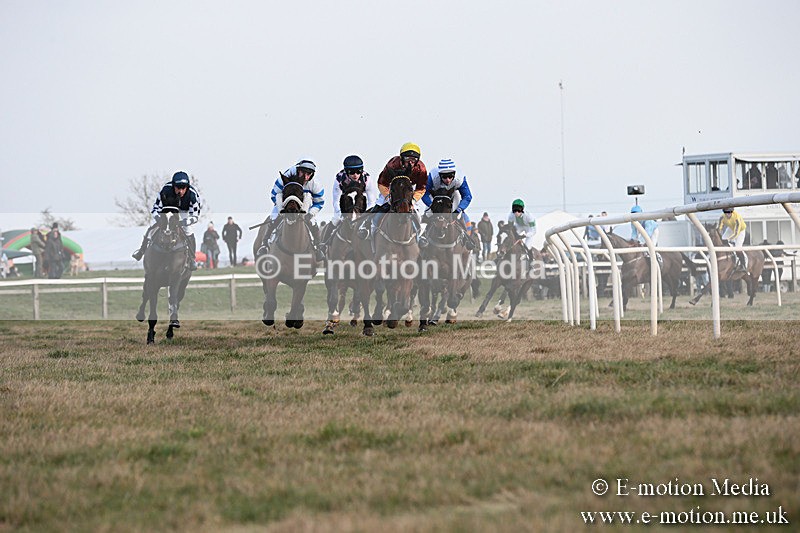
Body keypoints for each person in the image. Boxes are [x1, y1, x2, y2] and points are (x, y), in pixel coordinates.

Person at [131, 171, 202, 270]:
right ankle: (141, 251)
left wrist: (183, 222)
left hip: (183, 212)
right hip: (168, 210)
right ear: (173, 186)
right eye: (178, 187)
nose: (180, 191)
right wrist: (159, 220)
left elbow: (195, 216)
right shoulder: (166, 190)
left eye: (183, 188)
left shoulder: (193, 195)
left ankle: (192, 259)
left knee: (188, 231)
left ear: (187, 187)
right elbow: (155, 209)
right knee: (151, 228)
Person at [359, 142, 427, 241]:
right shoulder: (392, 164)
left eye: (414, 160)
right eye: (408, 159)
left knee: (416, 214)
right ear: (402, 158)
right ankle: (367, 226)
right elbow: (382, 183)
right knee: (379, 208)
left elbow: (421, 188)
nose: (411, 162)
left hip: (407, 191)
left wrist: (412, 200)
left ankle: (419, 237)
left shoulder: (421, 168)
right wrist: (388, 197)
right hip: (391, 188)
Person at [260, 159, 325, 261]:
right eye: (303, 173)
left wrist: (310, 214)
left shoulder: (315, 184)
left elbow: (319, 202)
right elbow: (274, 195)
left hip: (304, 207)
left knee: (313, 222)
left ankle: (318, 248)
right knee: (273, 218)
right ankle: (264, 244)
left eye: (309, 174)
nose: (306, 177)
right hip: (283, 205)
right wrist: (283, 209)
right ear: (298, 170)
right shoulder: (283, 179)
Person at [321, 155, 378, 252]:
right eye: (351, 172)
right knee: (336, 219)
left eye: (358, 171)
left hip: (361, 204)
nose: (355, 175)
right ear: (347, 172)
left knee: (373, 223)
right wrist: (340, 214)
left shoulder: (367, 179)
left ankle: (375, 248)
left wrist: (365, 216)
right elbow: (336, 200)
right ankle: (323, 246)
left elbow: (371, 202)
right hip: (345, 204)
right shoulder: (340, 179)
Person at [420, 158, 475, 249]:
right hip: (435, 196)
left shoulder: (460, 178)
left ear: (454, 175)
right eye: (445, 177)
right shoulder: (432, 176)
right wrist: (431, 205)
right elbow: (424, 193)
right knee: (428, 214)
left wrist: (458, 210)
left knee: (458, 215)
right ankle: (422, 237)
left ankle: (466, 239)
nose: (448, 180)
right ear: (440, 175)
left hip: (452, 196)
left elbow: (467, 196)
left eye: (450, 177)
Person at [717, 207, 748, 271]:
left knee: (737, 247)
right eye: (726, 213)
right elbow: (719, 228)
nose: (727, 215)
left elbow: (736, 233)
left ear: (732, 212)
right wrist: (719, 235)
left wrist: (729, 239)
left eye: (729, 213)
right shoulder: (722, 217)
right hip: (731, 228)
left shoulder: (737, 217)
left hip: (740, 230)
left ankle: (743, 264)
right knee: (723, 239)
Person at [507, 199, 537, 263]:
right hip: (519, 226)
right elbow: (510, 228)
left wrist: (525, 235)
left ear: (522, 209)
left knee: (527, 245)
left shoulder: (529, 217)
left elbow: (534, 231)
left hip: (529, 228)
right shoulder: (511, 216)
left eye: (518, 210)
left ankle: (531, 261)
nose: (516, 213)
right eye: (514, 210)